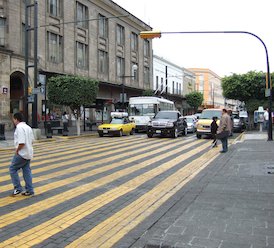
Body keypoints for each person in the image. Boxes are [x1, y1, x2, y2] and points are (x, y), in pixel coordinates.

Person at [9, 112, 35, 196]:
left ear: (16, 119)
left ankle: (17, 188)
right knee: (26, 170)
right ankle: (29, 189)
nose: (13, 121)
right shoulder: (28, 127)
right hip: (28, 153)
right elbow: (32, 141)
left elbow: (21, 142)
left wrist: (17, 150)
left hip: (22, 153)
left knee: (12, 169)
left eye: (13, 119)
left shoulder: (19, 128)